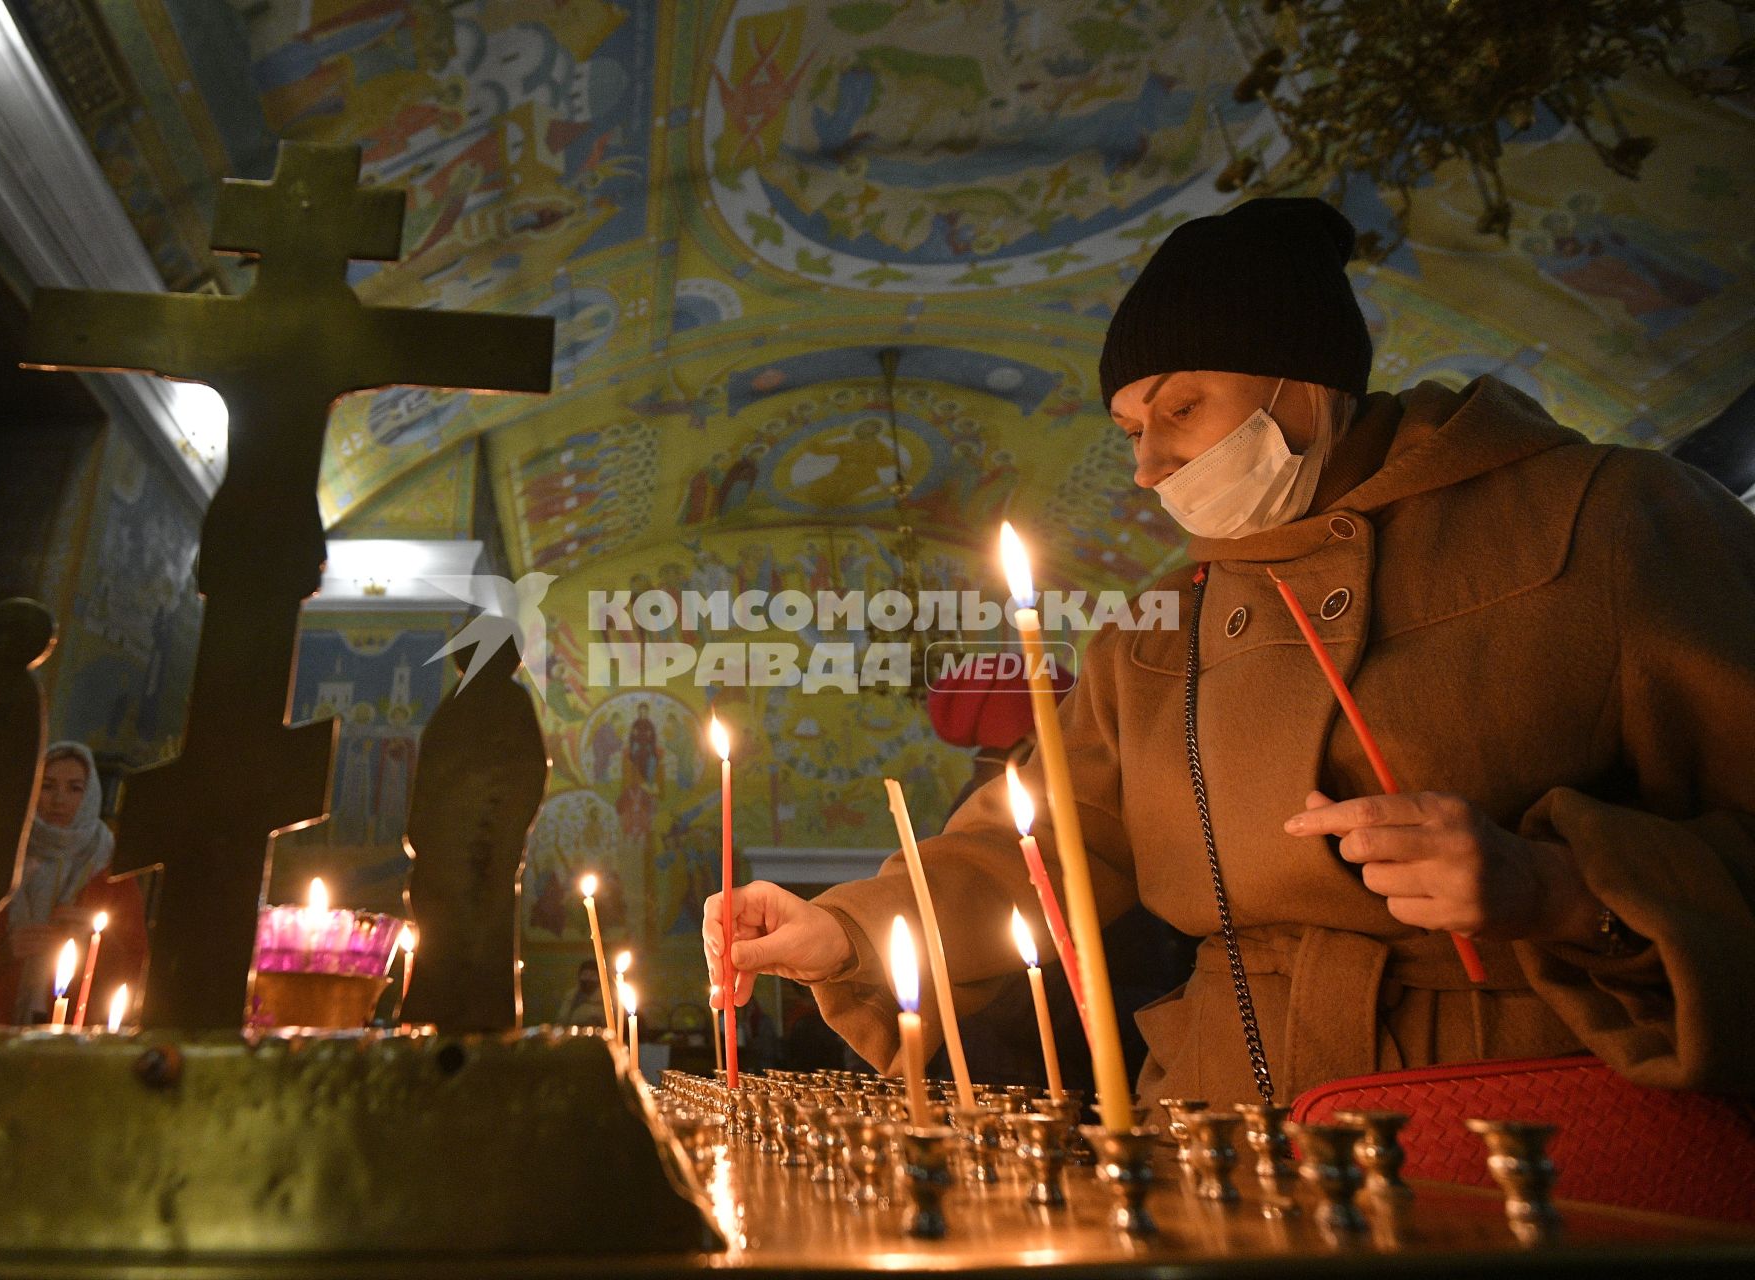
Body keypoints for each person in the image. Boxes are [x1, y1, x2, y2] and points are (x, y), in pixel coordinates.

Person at [704, 197, 1755, 1107]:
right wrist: (842, 928)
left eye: (1182, 406)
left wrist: (1562, 890)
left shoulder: (1610, 521)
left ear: (1304, 378)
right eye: (1129, 427)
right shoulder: (1158, 637)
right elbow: (1028, 854)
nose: (1152, 460)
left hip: (1528, 1122)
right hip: (1225, 1116)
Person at [0, 742, 147, 1025]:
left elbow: (135, 960)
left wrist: (96, 942)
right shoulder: (2, 854)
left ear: (90, 794)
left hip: (77, 1021)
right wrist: (0, 953)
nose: (59, 799)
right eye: (47, 785)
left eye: (74, 788)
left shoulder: (109, 866)